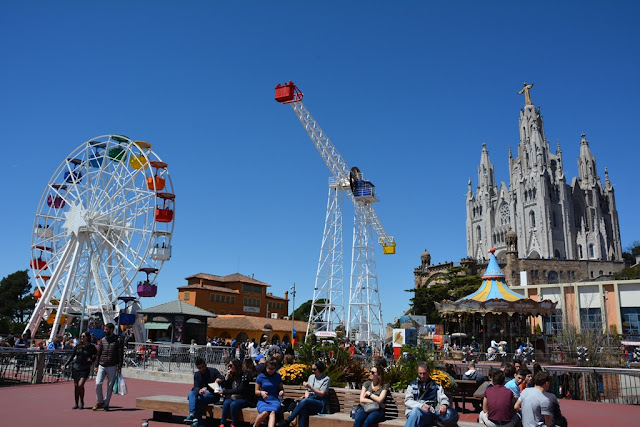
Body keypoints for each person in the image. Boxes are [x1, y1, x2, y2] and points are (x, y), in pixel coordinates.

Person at [277, 361, 330, 427]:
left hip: (320, 402)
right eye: (312, 369)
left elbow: (322, 394)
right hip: (310, 400)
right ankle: (288, 422)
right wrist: (306, 395)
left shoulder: (326, 379)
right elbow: (307, 390)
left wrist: (310, 387)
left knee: (305, 401)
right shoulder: (311, 377)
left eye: (314, 369)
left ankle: (288, 420)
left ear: (320, 369)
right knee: (303, 410)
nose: (313, 371)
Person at [404, 362, 458, 427]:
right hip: (412, 413)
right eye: (420, 373)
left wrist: (444, 405)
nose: (422, 376)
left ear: (428, 373)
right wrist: (421, 406)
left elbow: (443, 397)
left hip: (428, 414)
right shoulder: (412, 385)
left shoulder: (436, 386)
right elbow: (407, 401)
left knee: (417, 417)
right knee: (416, 412)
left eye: (424, 373)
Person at [184, 357, 224, 426]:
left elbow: (221, 377)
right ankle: (192, 415)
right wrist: (199, 390)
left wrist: (218, 379)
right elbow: (195, 386)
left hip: (212, 395)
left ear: (205, 364)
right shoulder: (197, 375)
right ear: (197, 368)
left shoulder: (213, 371)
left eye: (203, 366)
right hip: (202, 394)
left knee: (196, 400)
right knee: (192, 393)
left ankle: (198, 421)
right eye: (199, 368)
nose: (202, 369)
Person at [62, 331, 97, 409]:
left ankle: (82, 401)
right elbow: (72, 356)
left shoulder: (92, 347)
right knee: (76, 386)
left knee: (80, 385)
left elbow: (95, 356)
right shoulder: (78, 346)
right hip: (76, 367)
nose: (82, 337)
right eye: (81, 336)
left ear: (87, 337)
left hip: (85, 367)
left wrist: (91, 360)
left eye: (83, 336)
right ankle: (76, 403)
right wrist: (65, 364)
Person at [93, 323, 124, 411]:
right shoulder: (103, 340)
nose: (104, 331)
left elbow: (120, 354)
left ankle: (106, 404)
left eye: (106, 329)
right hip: (102, 365)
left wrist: (119, 366)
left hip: (112, 365)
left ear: (111, 330)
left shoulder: (118, 340)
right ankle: (100, 401)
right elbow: (98, 353)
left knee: (110, 386)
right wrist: (96, 365)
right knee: (98, 383)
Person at [220, 358, 254, 427]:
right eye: (228, 366)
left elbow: (240, 390)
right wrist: (227, 378)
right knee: (226, 403)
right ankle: (222, 423)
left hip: (243, 398)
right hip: (233, 397)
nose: (229, 367)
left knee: (234, 404)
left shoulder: (244, 375)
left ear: (236, 366)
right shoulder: (232, 375)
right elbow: (226, 387)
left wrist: (224, 392)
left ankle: (233, 424)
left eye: (231, 365)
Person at [254, 358, 284, 427]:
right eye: (269, 368)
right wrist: (261, 393)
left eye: (273, 369)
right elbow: (256, 391)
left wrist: (281, 392)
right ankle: (255, 425)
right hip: (263, 400)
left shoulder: (277, 376)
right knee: (265, 412)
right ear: (266, 367)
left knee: (273, 412)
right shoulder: (261, 376)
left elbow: (280, 388)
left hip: (274, 399)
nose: (271, 371)